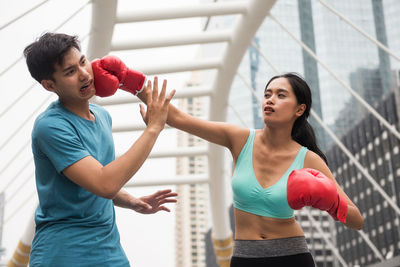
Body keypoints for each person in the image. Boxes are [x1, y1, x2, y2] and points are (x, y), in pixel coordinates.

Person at [92, 57, 364, 266]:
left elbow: (357, 221)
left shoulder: (309, 159)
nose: (270, 99)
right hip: (244, 257)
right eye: (268, 93)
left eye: (281, 95)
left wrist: (331, 201)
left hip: (293, 256)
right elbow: (179, 118)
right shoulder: (240, 139)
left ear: (299, 109)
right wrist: (131, 81)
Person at [23, 32, 176, 266]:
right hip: (63, 254)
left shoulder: (103, 116)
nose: (85, 74)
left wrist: (133, 202)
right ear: (49, 85)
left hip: (108, 250)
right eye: (70, 72)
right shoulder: (50, 126)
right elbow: (105, 183)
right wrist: (154, 128)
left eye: (83, 62)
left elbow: (94, 182)